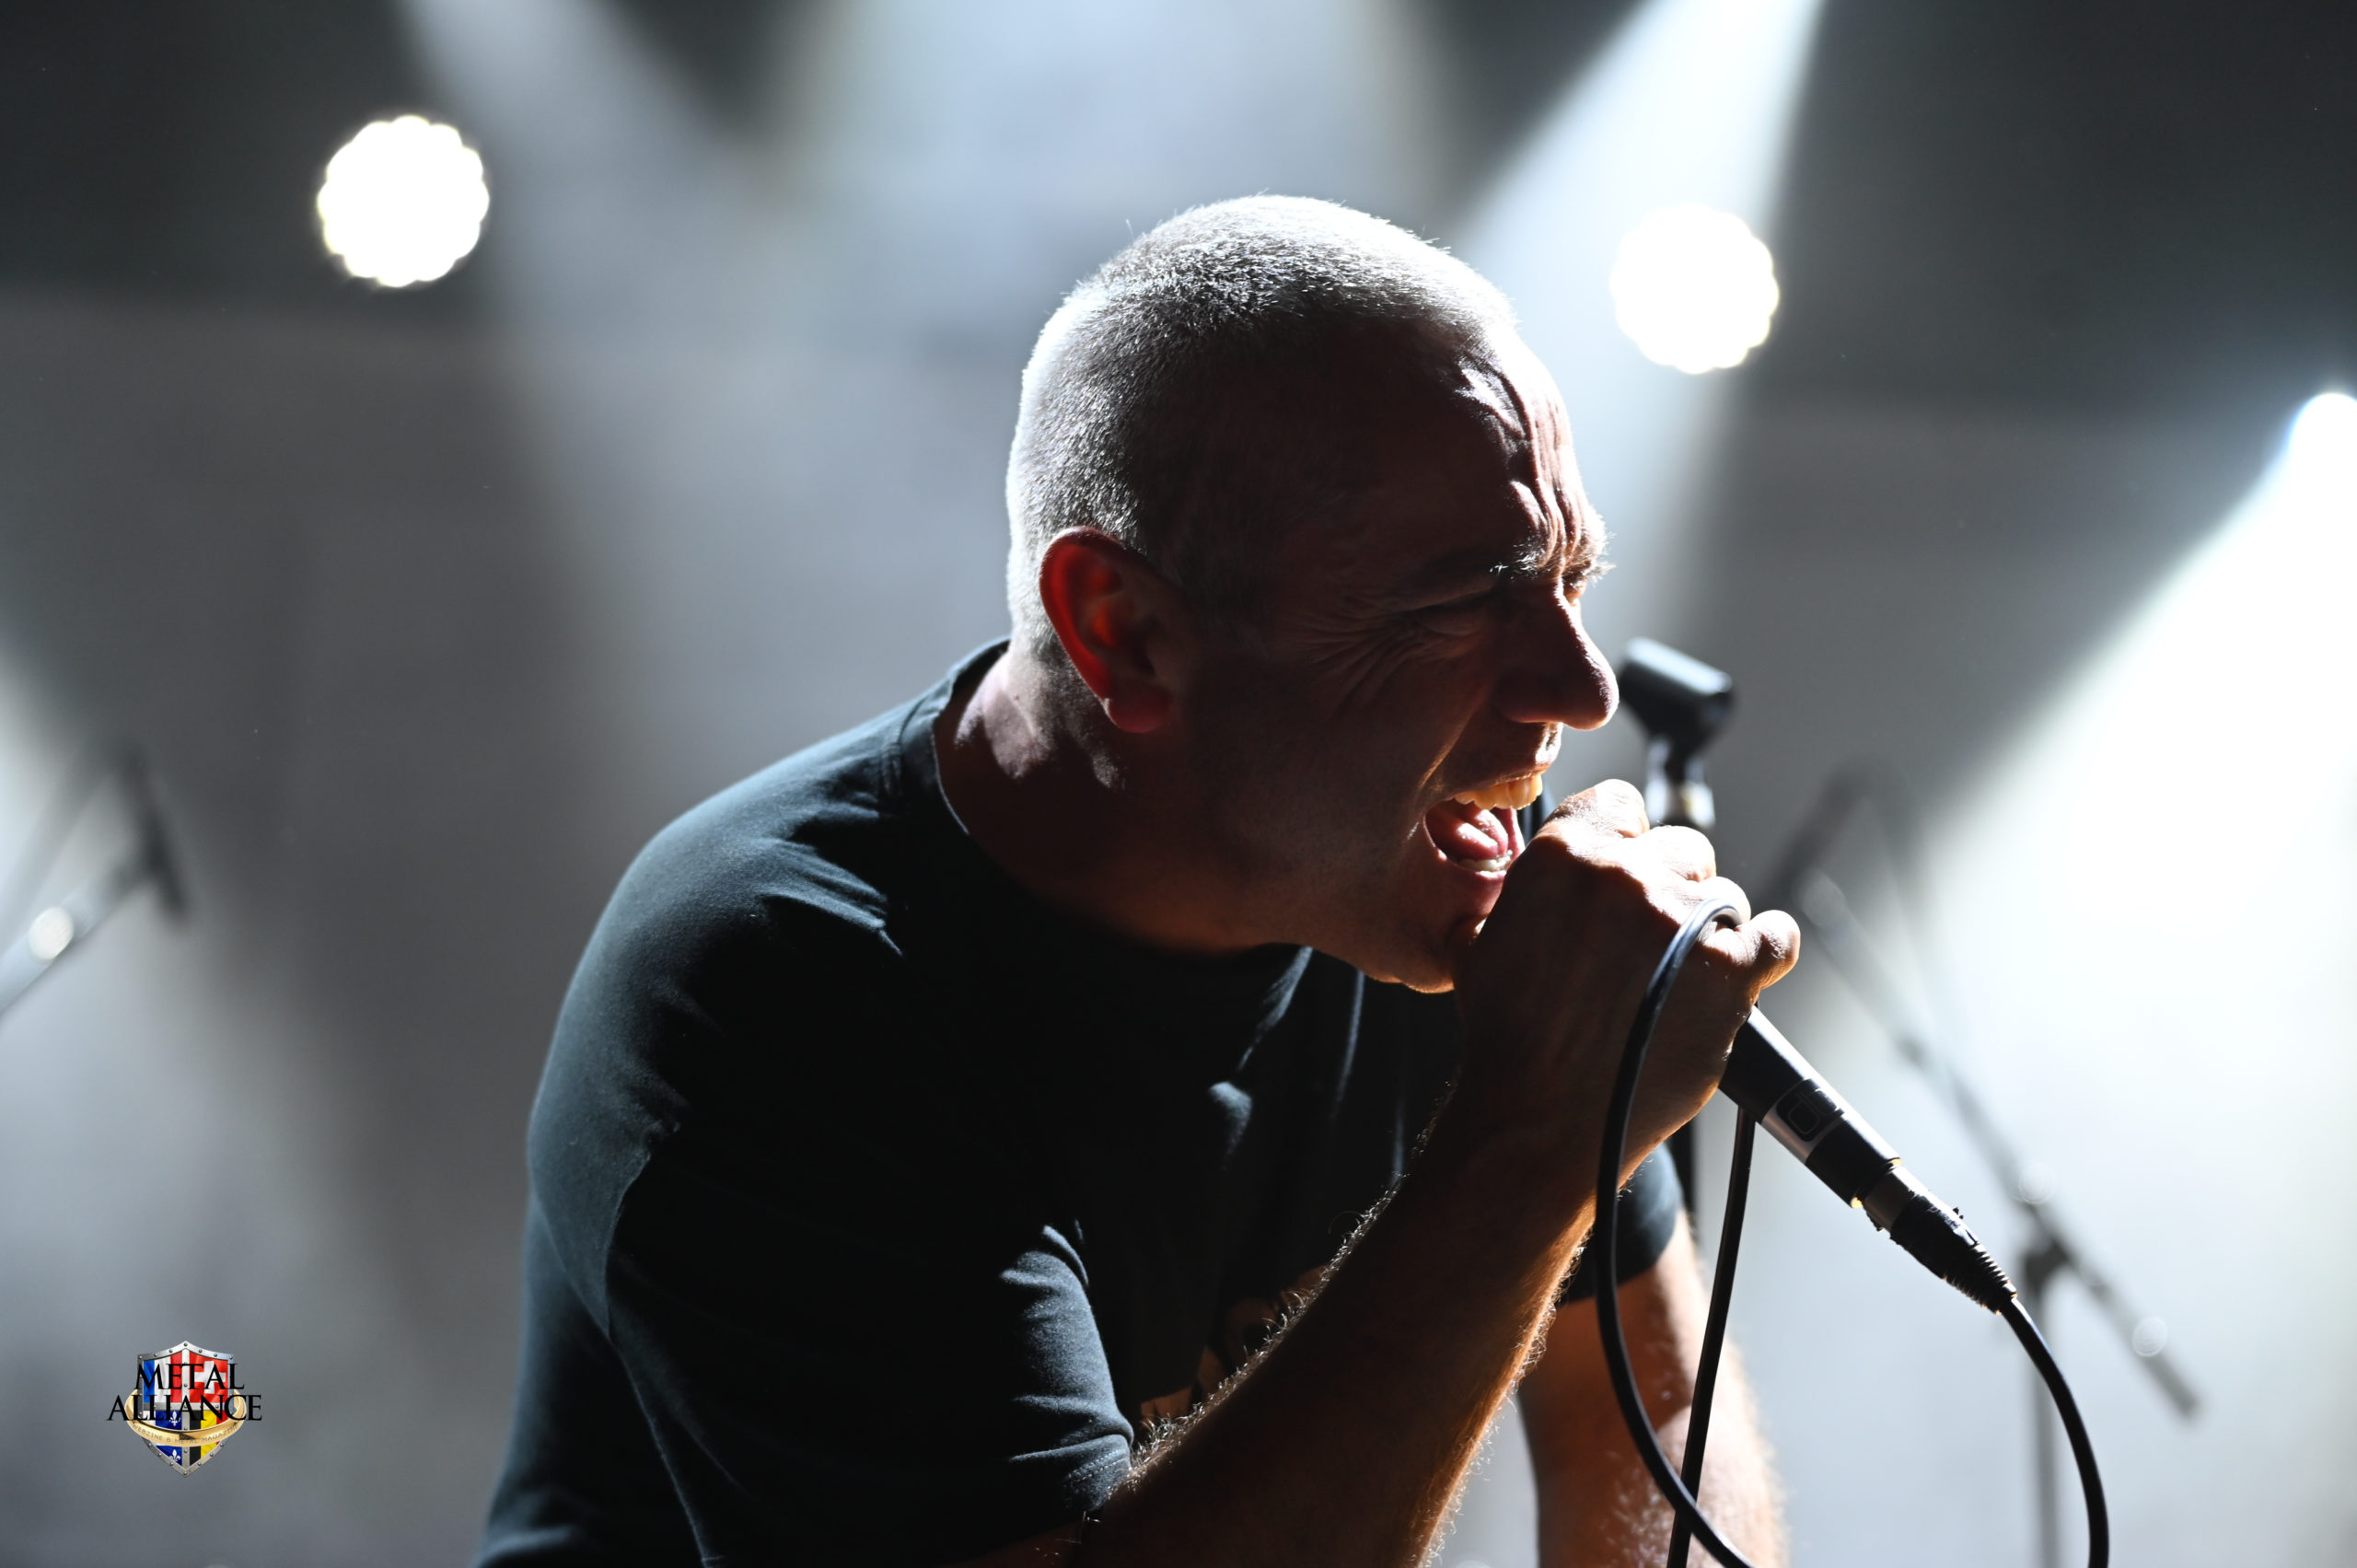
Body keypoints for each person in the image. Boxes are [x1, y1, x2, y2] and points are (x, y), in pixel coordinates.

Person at [478, 196, 1798, 1568]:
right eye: (1461, 604)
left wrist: (1545, 1121)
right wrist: (1527, 1138)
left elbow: (1656, 1419)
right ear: (1125, 632)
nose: (1582, 689)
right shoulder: (781, 989)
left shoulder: (1422, 888)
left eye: (1573, 578)